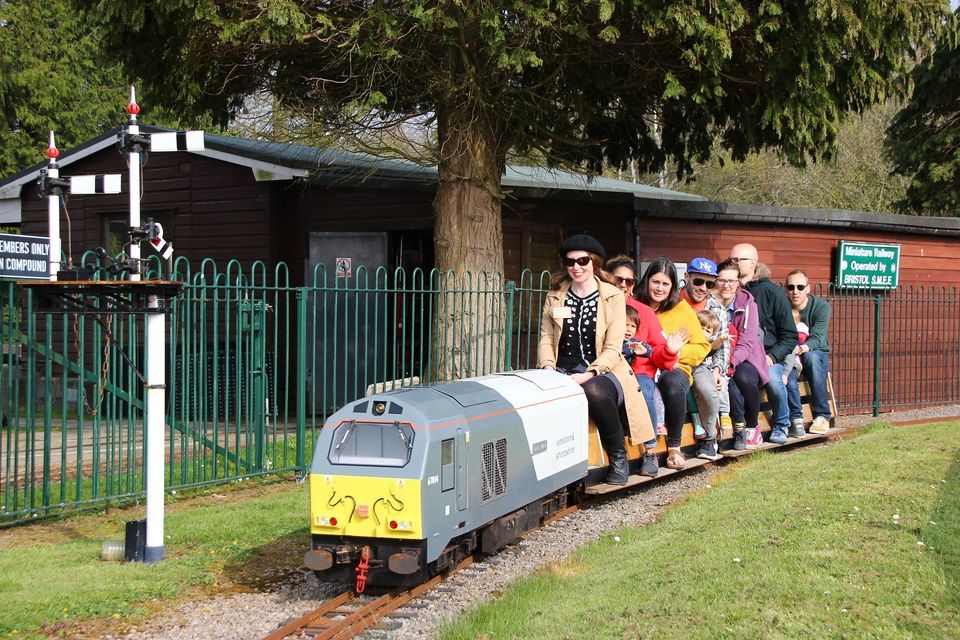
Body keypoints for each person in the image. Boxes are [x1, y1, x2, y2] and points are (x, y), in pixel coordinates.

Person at [538, 235, 655, 484]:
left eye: (582, 260)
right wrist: (548, 367)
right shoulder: (556, 295)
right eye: (570, 262)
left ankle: (618, 457)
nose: (576, 267)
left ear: (594, 262)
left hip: (604, 370)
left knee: (594, 392)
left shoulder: (612, 295)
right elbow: (546, 338)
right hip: (562, 368)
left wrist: (589, 373)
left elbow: (614, 348)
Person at [606, 254, 681, 477]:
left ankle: (650, 451)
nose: (622, 285)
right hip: (607, 371)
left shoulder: (644, 312)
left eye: (628, 281)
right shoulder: (600, 308)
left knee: (642, 387)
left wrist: (670, 350)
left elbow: (658, 351)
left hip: (638, 372)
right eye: (617, 280)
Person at [637, 257, 709, 469]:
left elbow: (702, 347)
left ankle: (674, 446)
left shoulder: (681, 309)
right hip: (642, 367)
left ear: (673, 286)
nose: (660, 288)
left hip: (673, 367)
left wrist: (675, 353)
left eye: (665, 284)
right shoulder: (635, 305)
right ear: (647, 280)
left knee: (672, 382)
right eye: (655, 282)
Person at [729, 243, 798, 443]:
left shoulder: (772, 292)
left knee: (774, 381)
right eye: (731, 259)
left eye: (737, 260)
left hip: (767, 354)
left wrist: (772, 357)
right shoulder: (727, 288)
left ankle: (781, 424)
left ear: (753, 263)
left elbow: (789, 335)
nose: (733, 263)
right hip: (739, 354)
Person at [714, 259, 769, 450]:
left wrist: (731, 363)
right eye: (722, 280)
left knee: (743, 377)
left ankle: (753, 427)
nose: (726, 285)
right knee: (732, 385)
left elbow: (747, 340)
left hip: (746, 355)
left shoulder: (748, 304)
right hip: (717, 354)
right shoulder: (710, 303)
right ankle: (736, 429)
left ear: (738, 282)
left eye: (731, 281)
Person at [680, 257, 728, 460]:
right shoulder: (674, 301)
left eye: (709, 283)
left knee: (709, 391)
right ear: (687, 277)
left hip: (702, 362)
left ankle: (709, 438)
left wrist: (718, 370)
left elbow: (723, 345)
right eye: (698, 281)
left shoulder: (717, 307)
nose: (703, 288)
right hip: (673, 360)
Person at [785, 269, 833, 435]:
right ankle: (790, 419)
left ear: (808, 288)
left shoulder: (821, 307)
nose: (795, 291)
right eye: (791, 287)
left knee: (811, 358)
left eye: (800, 286)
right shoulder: (783, 307)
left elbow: (819, 337)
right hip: (790, 353)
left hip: (815, 352)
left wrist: (801, 348)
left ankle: (822, 415)